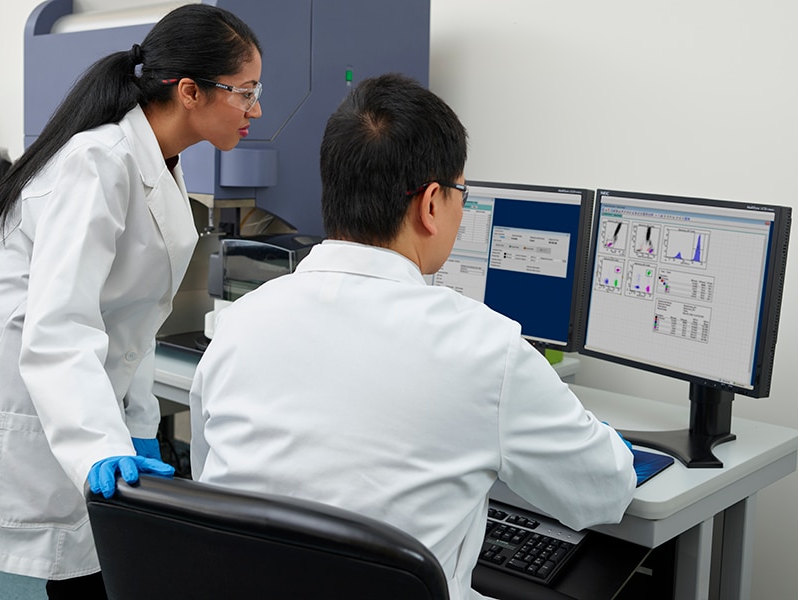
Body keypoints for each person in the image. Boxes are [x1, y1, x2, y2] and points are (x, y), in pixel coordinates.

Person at [189, 73, 636, 600]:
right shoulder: (486, 349)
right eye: (460, 194)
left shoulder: (241, 322)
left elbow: (209, 484)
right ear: (430, 204)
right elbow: (604, 493)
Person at [0, 5, 262, 598]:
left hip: (85, 405)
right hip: (37, 406)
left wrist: (139, 424)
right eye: (246, 93)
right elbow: (61, 324)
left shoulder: (160, 164)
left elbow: (131, 320)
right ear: (191, 91)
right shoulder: (99, 162)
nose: (257, 110)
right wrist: (99, 444)